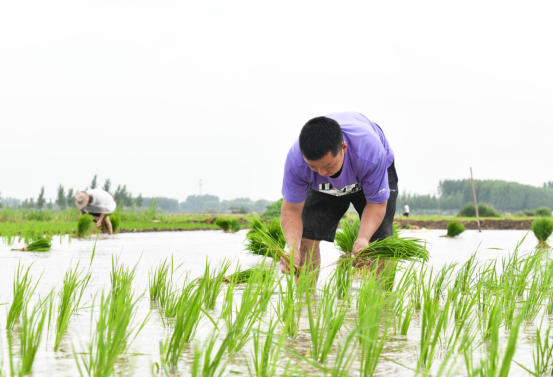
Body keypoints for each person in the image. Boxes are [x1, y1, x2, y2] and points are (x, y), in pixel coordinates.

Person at [280, 112, 398, 276]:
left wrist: (363, 239)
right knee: (306, 238)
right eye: (314, 167)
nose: (321, 173)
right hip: (322, 189)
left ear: (344, 148)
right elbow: (291, 210)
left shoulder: (369, 153)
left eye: (328, 165)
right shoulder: (297, 161)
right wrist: (292, 247)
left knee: (380, 244)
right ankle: (306, 301)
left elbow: (377, 204)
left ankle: (382, 301)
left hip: (367, 174)